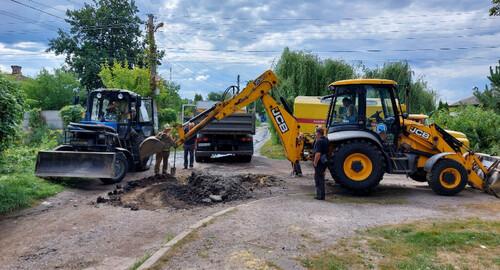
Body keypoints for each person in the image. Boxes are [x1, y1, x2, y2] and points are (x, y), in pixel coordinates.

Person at [313, 126, 329, 200]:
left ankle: (319, 196)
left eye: (316, 132)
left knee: (318, 178)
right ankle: (322, 195)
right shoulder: (326, 140)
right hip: (325, 161)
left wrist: (315, 163)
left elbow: (318, 154)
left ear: (318, 133)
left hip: (319, 162)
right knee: (321, 177)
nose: (315, 134)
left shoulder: (319, 141)